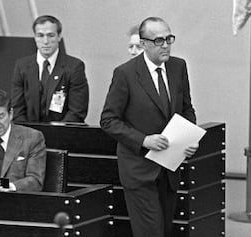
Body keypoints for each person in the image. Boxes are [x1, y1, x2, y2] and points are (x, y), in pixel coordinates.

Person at [100, 17, 198, 237]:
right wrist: (143, 140)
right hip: (139, 169)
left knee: (164, 229)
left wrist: (189, 140)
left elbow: (186, 109)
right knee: (150, 231)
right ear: (143, 43)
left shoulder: (178, 66)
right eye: (158, 40)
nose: (165, 45)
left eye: (169, 39)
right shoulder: (125, 74)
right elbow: (108, 120)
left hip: (169, 167)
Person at [11, 15, 89, 123]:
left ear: (59, 36)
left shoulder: (74, 67)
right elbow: (17, 109)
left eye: (50, 35)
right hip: (28, 133)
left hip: (62, 134)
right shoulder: (22, 66)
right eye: (40, 35)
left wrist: (56, 131)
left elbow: (77, 111)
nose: (45, 41)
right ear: (34, 37)